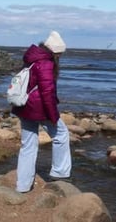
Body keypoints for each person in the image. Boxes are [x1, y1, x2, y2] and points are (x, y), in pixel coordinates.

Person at [11, 30, 72, 193]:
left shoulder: (32, 58)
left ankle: (22, 186)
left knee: (28, 146)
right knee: (61, 134)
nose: (60, 57)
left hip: (25, 106)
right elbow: (47, 92)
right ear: (55, 51)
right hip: (40, 108)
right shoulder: (46, 63)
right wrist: (53, 115)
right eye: (59, 53)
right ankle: (60, 172)